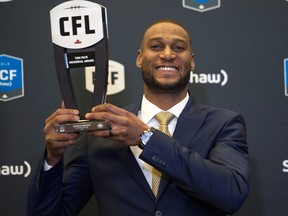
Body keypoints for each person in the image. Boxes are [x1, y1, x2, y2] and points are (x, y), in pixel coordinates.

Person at [27, 19, 249, 216]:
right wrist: (52, 157)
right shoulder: (99, 132)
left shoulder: (223, 124)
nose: (168, 54)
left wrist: (146, 137)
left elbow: (231, 195)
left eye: (179, 47)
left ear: (191, 61)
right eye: (156, 46)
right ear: (139, 58)